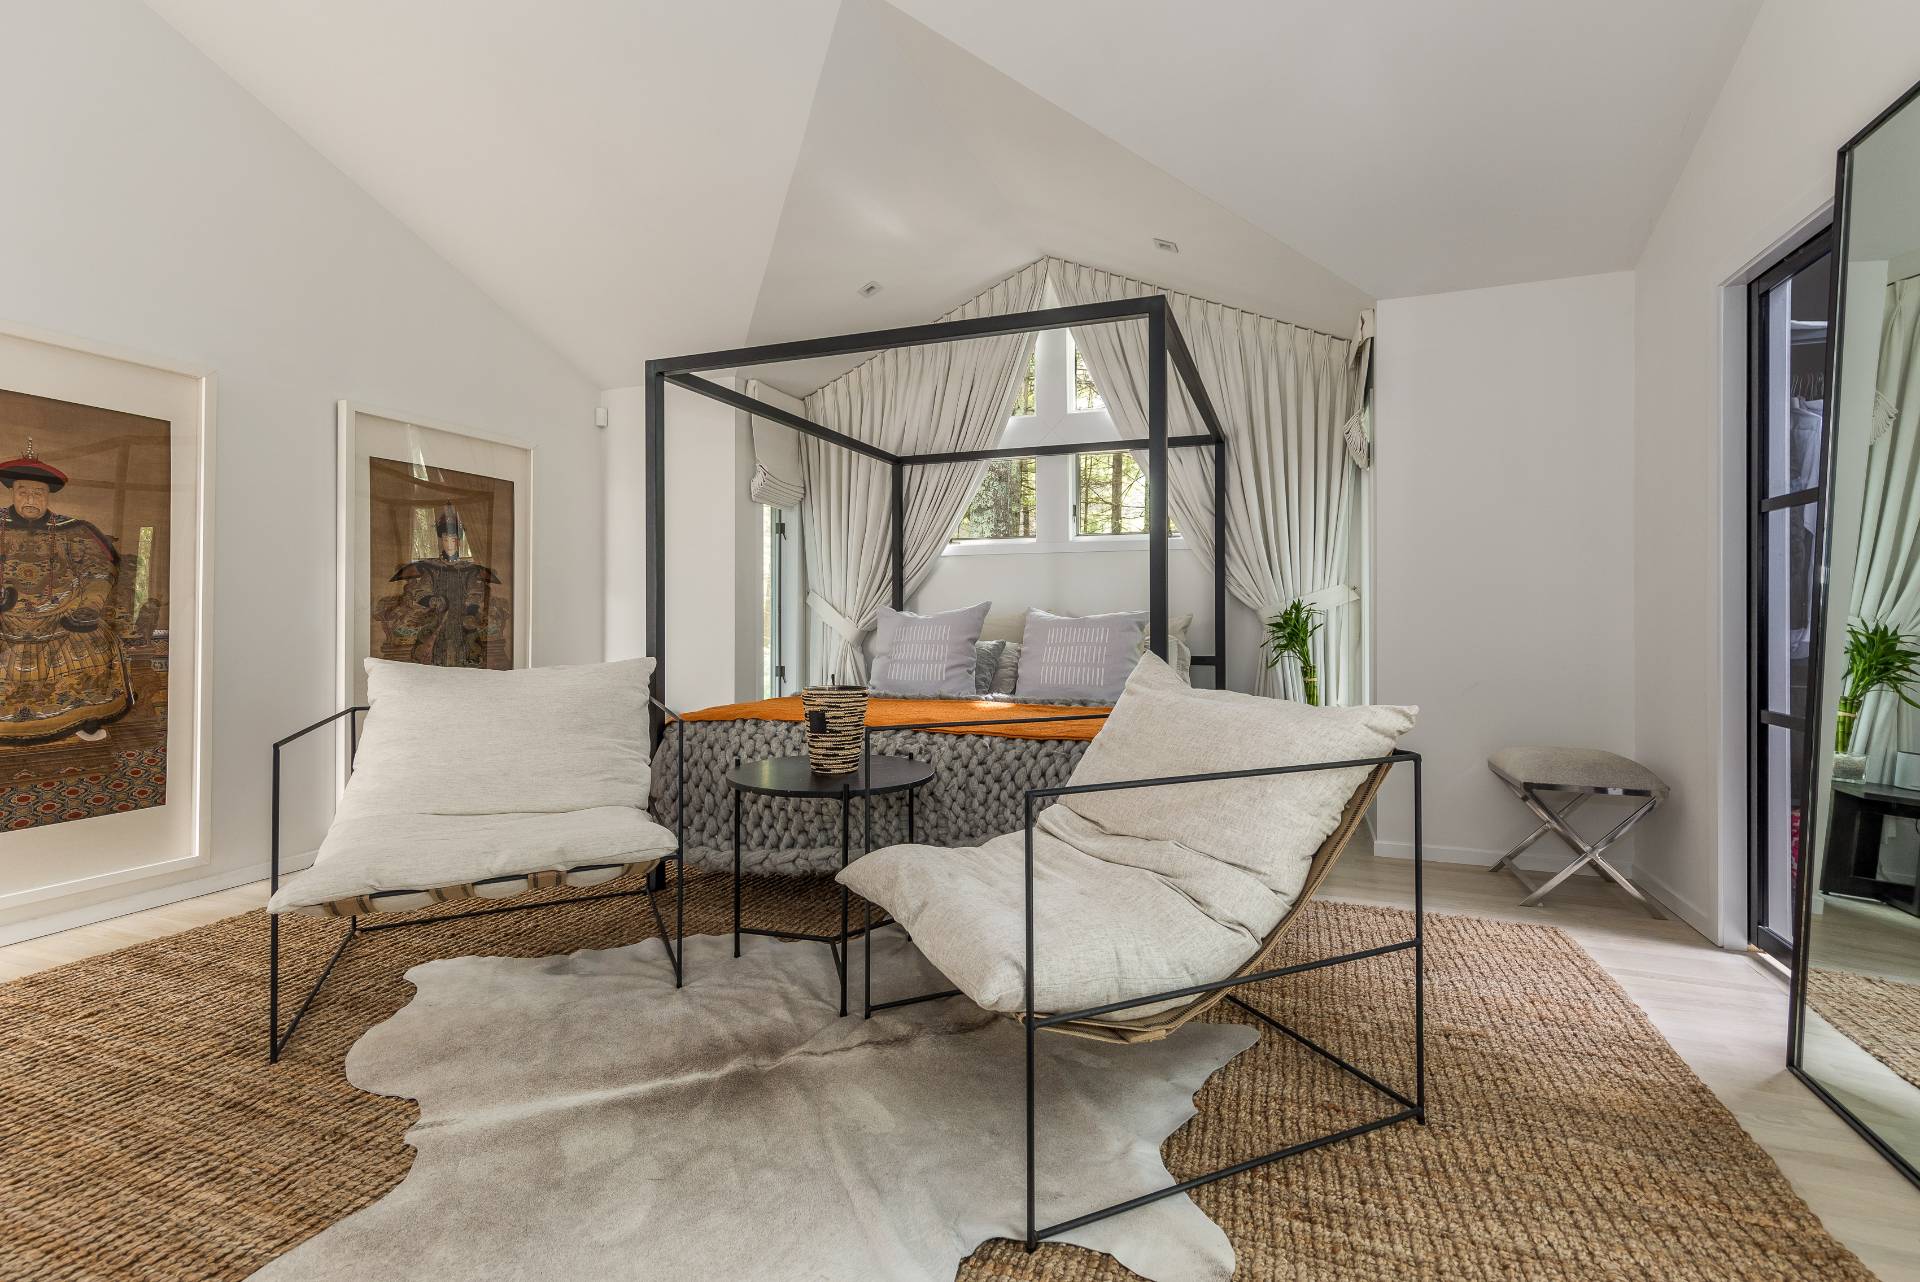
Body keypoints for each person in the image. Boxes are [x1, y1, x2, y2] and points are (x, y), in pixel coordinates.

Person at [0, 440, 133, 743]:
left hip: (62, 614)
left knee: (96, 641)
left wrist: (88, 607)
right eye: (23, 491)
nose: (30, 498)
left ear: (48, 496)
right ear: (12, 491)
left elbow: (99, 572)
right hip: (5, 616)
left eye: (38, 492)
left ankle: (84, 717)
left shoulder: (73, 531)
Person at [379, 504, 504, 667]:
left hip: (463, 615)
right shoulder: (430, 568)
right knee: (431, 648)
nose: (449, 544)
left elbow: (475, 592)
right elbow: (421, 591)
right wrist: (432, 600)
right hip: (437, 615)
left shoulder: (469, 570)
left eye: (453, 540)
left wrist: (471, 610)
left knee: (469, 648)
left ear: (458, 542)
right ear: (441, 541)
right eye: (445, 539)